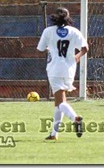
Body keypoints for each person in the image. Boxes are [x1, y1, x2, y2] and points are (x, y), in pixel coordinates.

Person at [37, 7, 88, 140]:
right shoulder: (74, 31)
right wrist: (77, 56)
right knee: (59, 103)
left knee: (60, 103)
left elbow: (41, 48)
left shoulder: (48, 31)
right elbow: (85, 48)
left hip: (55, 69)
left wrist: (50, 47)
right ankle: (54, 134)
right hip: (69, 69)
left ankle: (75, 118)